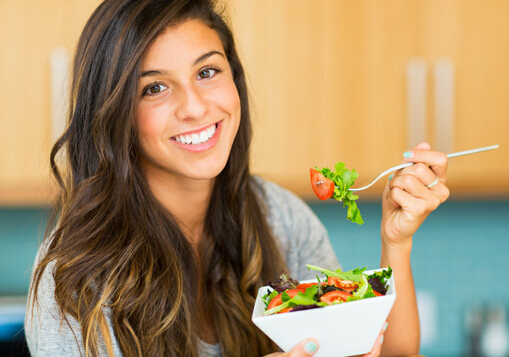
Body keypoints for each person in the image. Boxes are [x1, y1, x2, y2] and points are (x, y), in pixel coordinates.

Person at [25, 0, 450, 356]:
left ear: (235, 80)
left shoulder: (281, 218)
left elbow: (385, 351)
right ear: (115, 113)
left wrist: (396, 243)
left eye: (207, 72)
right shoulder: (73, 276)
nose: (194, 107)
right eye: (154, 88)